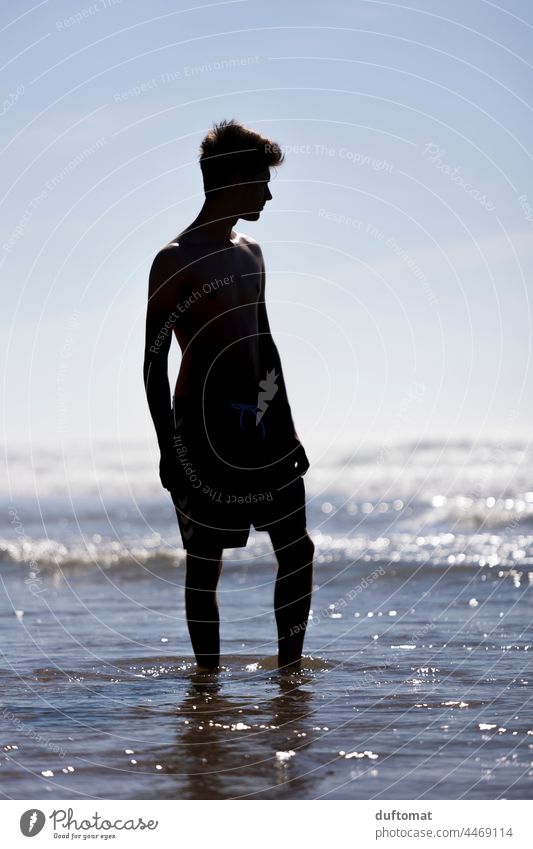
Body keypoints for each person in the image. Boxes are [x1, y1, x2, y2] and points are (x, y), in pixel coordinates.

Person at [143, 119, 314, 672]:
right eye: (261, 180)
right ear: (233, 178)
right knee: (205, 560)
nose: (268, 192)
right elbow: (154, 361)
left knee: (297, 550)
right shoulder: (175, 259)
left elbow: (264, 340)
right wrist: (169, 447)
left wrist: (287, 427)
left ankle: (290, 675)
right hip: (204, 430)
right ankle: (208, 682)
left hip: (267, 426)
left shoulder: (253, 253)